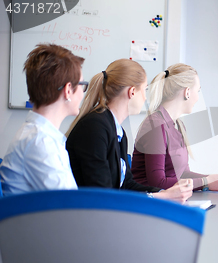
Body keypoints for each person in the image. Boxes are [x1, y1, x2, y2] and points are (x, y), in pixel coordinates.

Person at [65, 59, 192, 202]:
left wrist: (166, 193)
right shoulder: (94, 128)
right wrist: (159, 196)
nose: (145, 98)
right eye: (144, 90)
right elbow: (101, 193)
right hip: (89, 215)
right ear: (132, 92)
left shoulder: (118, 132)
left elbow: (127, 185)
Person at [131, 63, 218, 191]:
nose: (198, 97)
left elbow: (182, 174)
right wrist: (206, 181)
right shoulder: (156, 125)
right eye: (198, 91)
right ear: (187, 92)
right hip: (148, 203)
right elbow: (157, 182)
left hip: (170, 199)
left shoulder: (178, 125)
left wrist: (214, 178)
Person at [0, 44, 85, 195]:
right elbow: (69, 206)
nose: (83, 93)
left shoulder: (41, 136)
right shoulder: (40, 142)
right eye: (82, 85)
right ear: (68, 90)